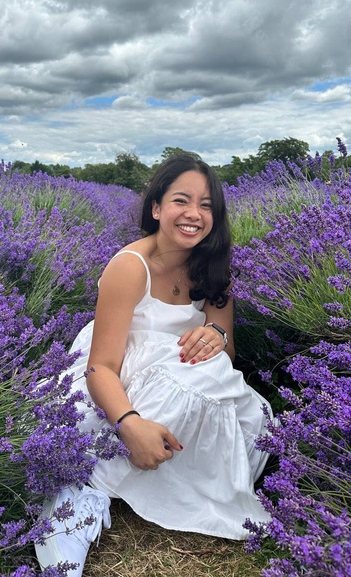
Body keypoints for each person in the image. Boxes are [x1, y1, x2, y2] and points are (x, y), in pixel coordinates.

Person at [35, 156, 272, 575]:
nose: (194, 214)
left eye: (206, 205)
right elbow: (101, 367)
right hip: (120, 379)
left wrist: (216, 335)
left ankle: (113, 474)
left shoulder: (214, 268)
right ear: (157, 208)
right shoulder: (130, 266)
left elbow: (226, 356)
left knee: (255, 423)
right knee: (178, 384)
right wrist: (129, 423)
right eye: (181, 200)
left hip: (182, 377)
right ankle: (85, 490)